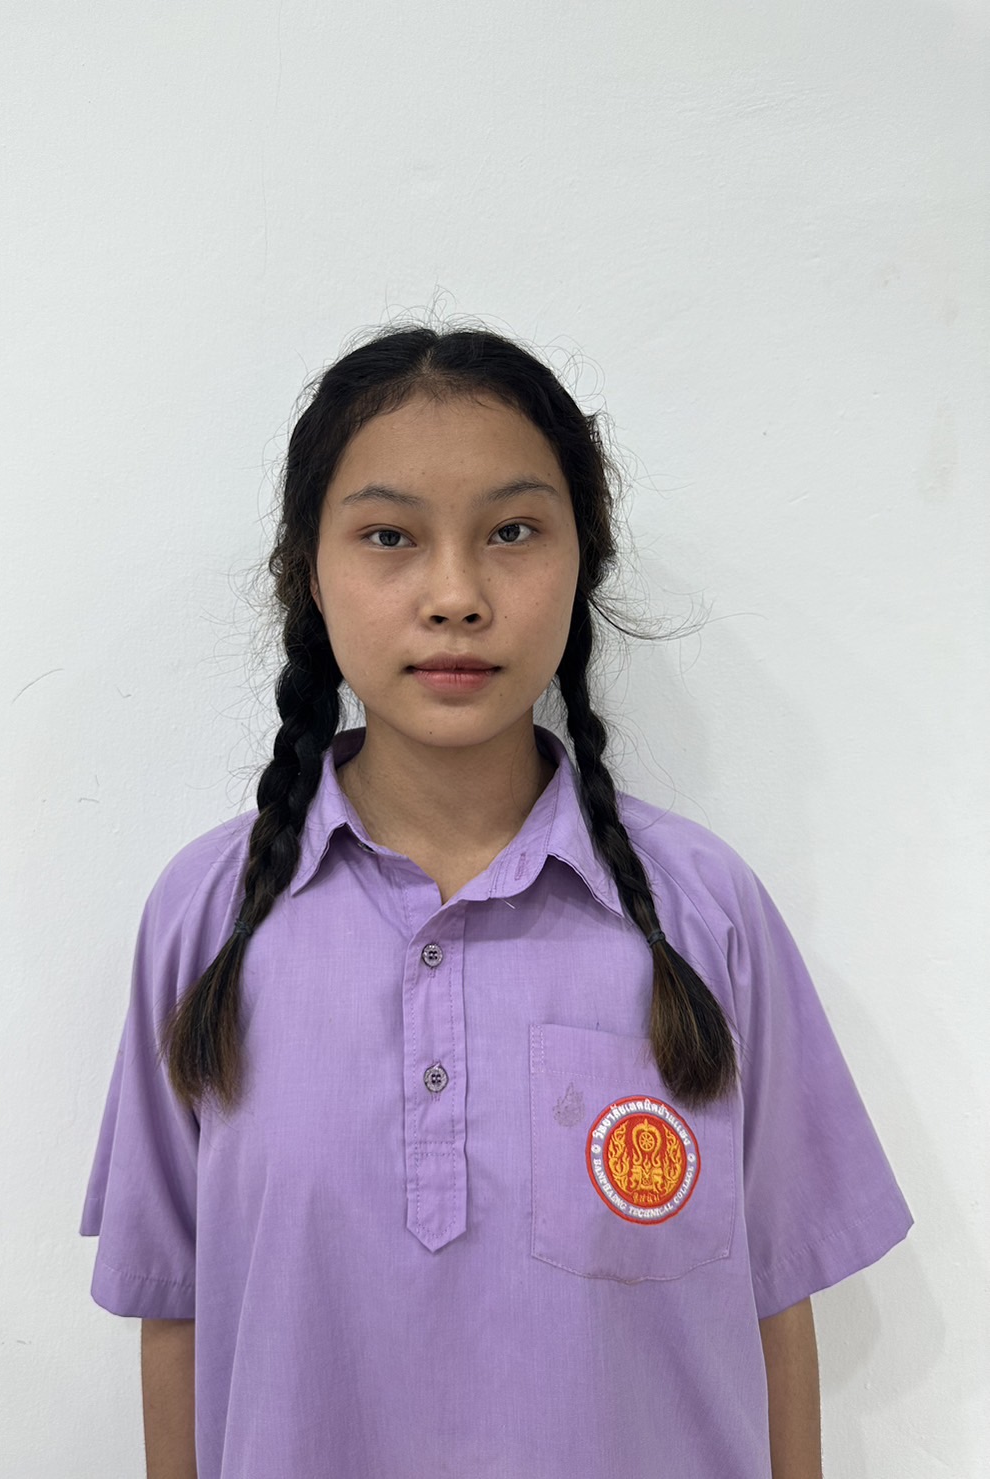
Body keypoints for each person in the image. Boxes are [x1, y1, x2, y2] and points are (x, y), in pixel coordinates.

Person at [80, 324, 912, 1479]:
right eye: (388, 536)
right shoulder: (207, 919)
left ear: (582, 561)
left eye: (512, 532)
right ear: (308, 571)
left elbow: (773, 1304)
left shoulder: (702, 913)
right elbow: (173, 1310)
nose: (455, 595)